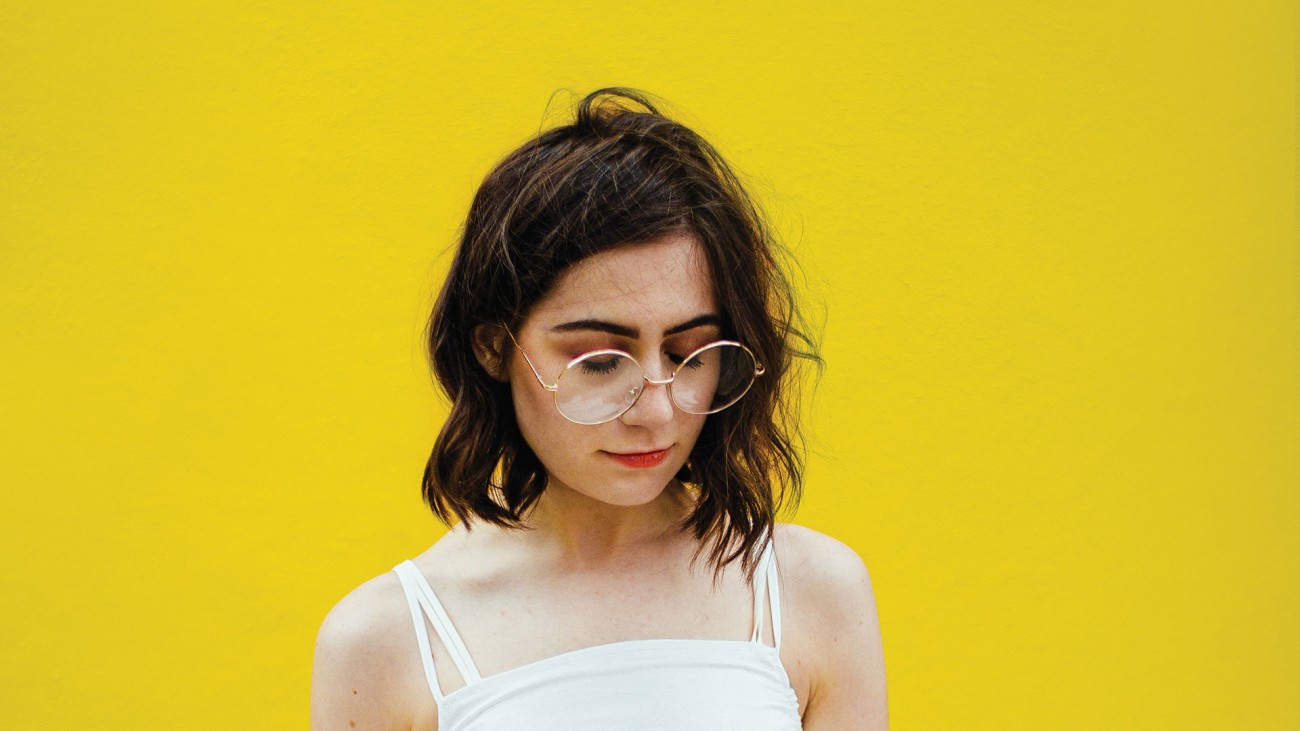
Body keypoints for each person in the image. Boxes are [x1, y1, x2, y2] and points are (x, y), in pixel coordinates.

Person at [311, 88, 887, 730]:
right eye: (601, 361)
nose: (657, 412)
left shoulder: (810, 591)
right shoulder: (385, 642)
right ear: (495, 347)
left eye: (690, 354)